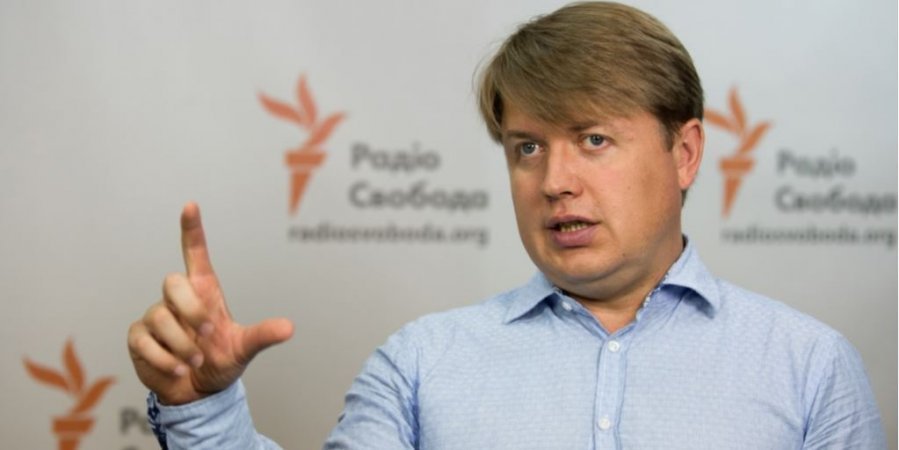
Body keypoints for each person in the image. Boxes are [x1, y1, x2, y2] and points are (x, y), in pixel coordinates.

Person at [127, 2, 887, 449]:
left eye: (593, 139)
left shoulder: (810, 368)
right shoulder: (421, 364)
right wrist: (204, 407)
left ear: (683, 152)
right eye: (527, 148)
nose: (554, 181)